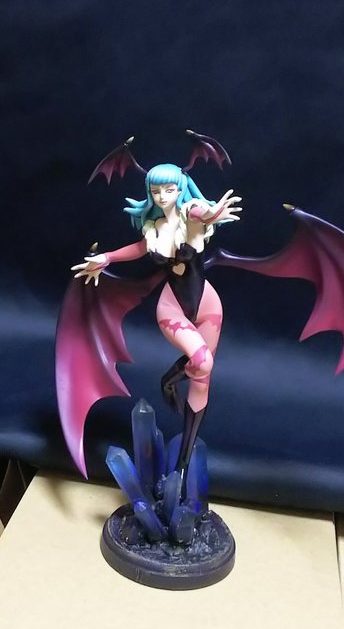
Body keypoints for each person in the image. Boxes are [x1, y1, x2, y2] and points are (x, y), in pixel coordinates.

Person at [72, 162, 242, 489]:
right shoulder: (154, 227)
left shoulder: (191, 216)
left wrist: (211, 213)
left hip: (208, 304)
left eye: (169, 189)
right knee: (202, 361)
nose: (162, 196)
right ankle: (168, 381)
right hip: (172, 308)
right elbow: (139, 249)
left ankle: (183, 465)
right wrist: (107, 258)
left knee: (202, 378)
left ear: (181, 189)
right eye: (156, 191)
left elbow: (200, 214)